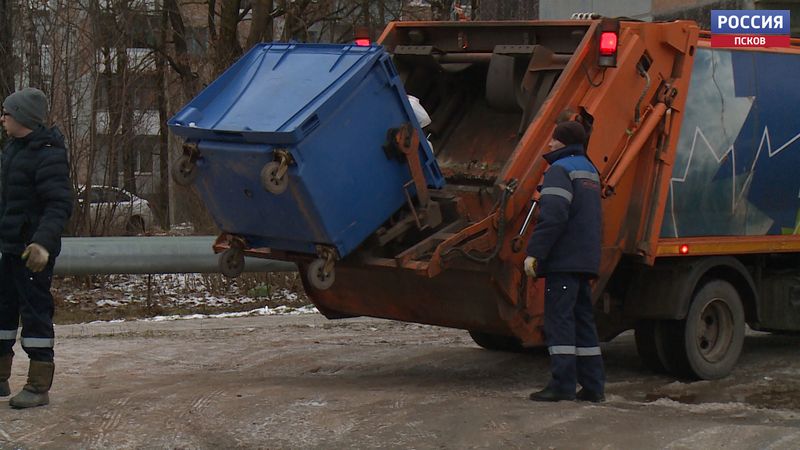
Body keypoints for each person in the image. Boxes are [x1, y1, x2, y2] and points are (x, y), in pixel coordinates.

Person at [0, 87, 73, 409]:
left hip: (32, 255)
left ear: (22, 118)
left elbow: (58, 205)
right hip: (8, 247)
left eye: (7, 113)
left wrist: (42, 244)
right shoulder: (12, 150)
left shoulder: (48, 154)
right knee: (1, 313)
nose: (2, 118)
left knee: (34, 316)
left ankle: (38, 385)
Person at [524, 120, 605, 403]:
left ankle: (562, 385)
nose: (549, 144)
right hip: (585, 258)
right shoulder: (590, 170)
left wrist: (536, 253)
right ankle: (594, 387)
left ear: (562, 142)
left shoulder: (560, 170)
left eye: (553, 139)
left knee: (559, 320)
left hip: (564, 259)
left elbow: (554, 216)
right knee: (583, 321)